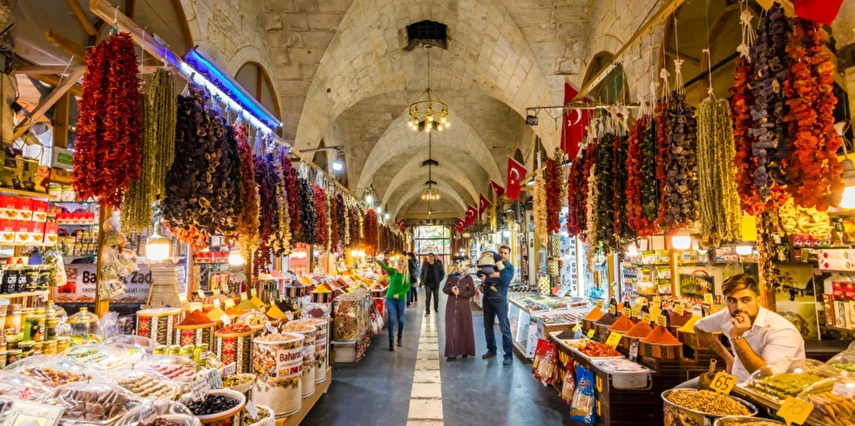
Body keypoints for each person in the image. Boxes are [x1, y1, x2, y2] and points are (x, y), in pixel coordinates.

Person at [682, 274, 805, 388]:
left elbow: (767, 378)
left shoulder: (781, 330)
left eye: (746, 300)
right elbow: (699, 327)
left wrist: (736, 337)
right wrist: (728, 358)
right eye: (732, 300)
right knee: (679, 392)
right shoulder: (727, 316)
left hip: (767, 391)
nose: (739, 307)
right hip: (733, 381)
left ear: (758, 300)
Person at [478, 245, 515, 366]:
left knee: (505, 328)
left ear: (509, 255)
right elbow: (480, 272)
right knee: (488, 327)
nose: (503, 254)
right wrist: (490, 277)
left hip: (500, 300)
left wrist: (487, 279)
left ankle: (508, 355)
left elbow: (504, 280)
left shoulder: (509, 267)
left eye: (505, 253)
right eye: (501, 252)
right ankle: (491, 350)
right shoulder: (492, 263)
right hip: (487, 298)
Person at [443, 262, 476, 361]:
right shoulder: (450, 277)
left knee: (464, 326)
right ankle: (451, 353)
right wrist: (451, 289)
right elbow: (444, 289)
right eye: (455, 265)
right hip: (451, 306)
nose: (457, 267)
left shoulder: (468, 278)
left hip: (464, 306)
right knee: (451, 328)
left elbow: (472, 292)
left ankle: (464, 350)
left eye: (460, 265)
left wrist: (460, 292)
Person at [377, 255, 411, 351]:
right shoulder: (392, 271)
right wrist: (377, 261)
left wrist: (399, 294)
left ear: (405, 264)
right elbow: (384, 267)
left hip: (400, 299)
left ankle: (399, 337)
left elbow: (407, 288)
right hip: (390, 298)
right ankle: (391, 340)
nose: (400, 263)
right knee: (391, 319)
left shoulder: (406, 274)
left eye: (402, 261)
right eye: (399, 261)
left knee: (400, 319)